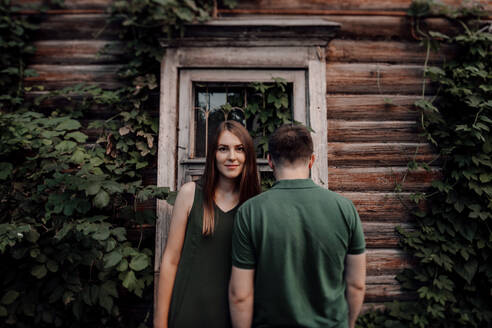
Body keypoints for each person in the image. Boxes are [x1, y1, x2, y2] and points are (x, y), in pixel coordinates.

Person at [229, 124, 366, 328]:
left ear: (269, 161)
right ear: (312, 160)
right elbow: (356, 284)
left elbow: (240, 295)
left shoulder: (250, 212)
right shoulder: (344, 209)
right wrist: (350, 323)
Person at [154, 120, 261, 328]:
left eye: (239, 149)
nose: (232, 157)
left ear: (248, 155)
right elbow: (170, 260)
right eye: (223, 149)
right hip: (188, 312)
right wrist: (160, 322)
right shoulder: (190, 194)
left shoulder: (256, 205)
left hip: (234, 316)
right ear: (213, 154)